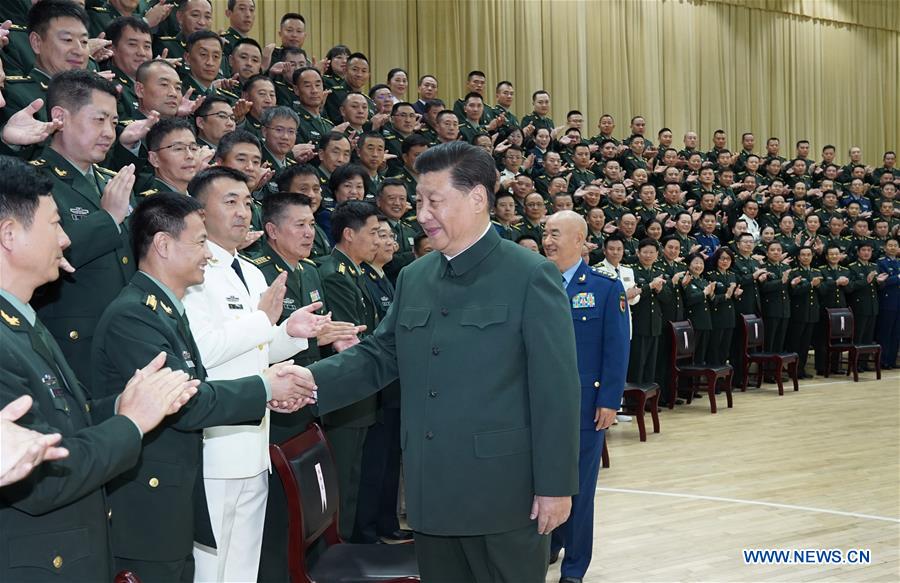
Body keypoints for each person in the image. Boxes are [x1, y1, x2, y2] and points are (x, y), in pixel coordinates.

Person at [300, 142, 580, 582]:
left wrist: (555, 486)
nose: (423, 214)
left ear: (477, 199)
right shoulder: (415, 277)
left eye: (434, 201)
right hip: (432, 497)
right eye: (418, 202)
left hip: (504, 497)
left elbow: (556, 390)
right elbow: (379, 355)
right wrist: (305, 382)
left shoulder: (529, 275)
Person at [90, 193, 318, 582]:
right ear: (163, 245)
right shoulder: (136, 316)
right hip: (153, 494)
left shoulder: (163, 310)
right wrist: (264, 388)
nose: (207, 255)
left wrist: (270, 380)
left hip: (181, 479)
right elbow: (187, 401)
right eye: (198, 243)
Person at [0, 155, 199, 582]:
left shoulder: (22, 322)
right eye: (55, 225)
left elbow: (61, 425)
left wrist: (120, 407)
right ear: (10, 234)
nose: (67, 240)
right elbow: (41, 479)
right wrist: (131, 423)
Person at [182, 167, 328, 582]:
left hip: (255, 440)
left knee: (245, 563)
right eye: (230, 201)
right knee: (212, 565)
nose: (243, 211)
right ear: (199, 210)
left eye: (247, 202)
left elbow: (254, 350)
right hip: (216, 442)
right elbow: (203, 352)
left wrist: (288, 334)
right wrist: (263, 321)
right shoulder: (195, 271)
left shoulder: (250, 269)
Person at [30, 70, 137, 386]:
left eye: (114, 123)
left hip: (123, 338)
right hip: (73, 347)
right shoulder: (33, 179)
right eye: (99, 119)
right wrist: (106, 218)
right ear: (60, 117)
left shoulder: (109, 180)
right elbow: (40, 258)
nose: (109, 132)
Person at [542, 211, 628, 583]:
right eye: (545, 233)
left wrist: (609, 400)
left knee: (579, 489)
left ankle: (574, 569)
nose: (547, 240)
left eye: (555, 233)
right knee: (543, 482)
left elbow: (616, 349)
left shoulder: (605, 288)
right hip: (537, 406)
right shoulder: (535, 284)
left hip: (583, 406)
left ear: (579, 240)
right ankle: (548, 545)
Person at [314, 200, 381, 540]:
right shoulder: (333, 274)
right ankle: (337, 552)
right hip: (345, 394)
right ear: (349, 234)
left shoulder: (354, 271)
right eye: (372, 233)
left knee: (354, 477)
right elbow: (350, 335)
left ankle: (350, 547)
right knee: (340, 480)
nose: (378, 240)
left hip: (362, 391)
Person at [355, 216, 411, 544]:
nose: (387, 242)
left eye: (390, 236)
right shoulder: (362, 276)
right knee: (374, 462)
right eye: (379, 235)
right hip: (375, 383)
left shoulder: (385, 279)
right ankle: (367, 529)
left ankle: (386, 523)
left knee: (389, 459)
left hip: (393, 383)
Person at [786, 246, 822, 377]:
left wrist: (818, 285)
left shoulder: (816, 271)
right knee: (795, 342)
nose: (806, 257)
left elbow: (823, 291)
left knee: (806, 344)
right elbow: (794, 292)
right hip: (798, 312)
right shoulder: (794, 272)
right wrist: (810, 285)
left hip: (812, 312)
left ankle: (801, 369)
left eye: (808, 254)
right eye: (803, 255)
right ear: (798, 257)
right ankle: (793, 370)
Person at [876, 238, 900, 369]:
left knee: (896, 333)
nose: (892, 248)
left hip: (898, 302)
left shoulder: (899, 262)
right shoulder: (881, 262)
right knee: (885, 331)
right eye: (890, 245)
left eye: (895, 245)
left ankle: (892, 360)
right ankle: (883, 360)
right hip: (887, 301)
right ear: (885, 248)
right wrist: (897, 278)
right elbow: (883, 282)